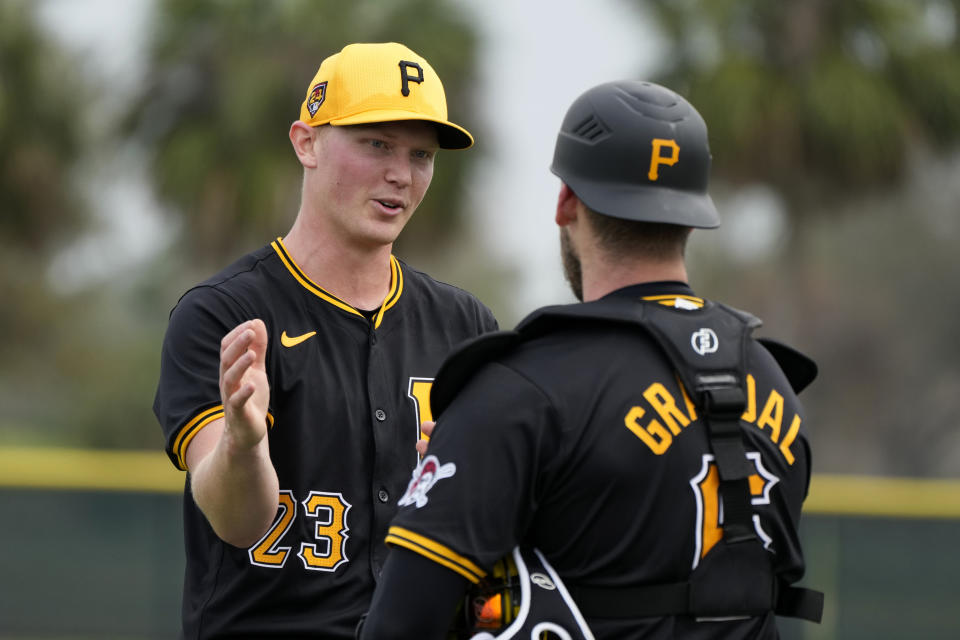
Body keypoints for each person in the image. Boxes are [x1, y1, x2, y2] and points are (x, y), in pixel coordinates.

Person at [358, 80, 823, 639]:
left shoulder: (523, 390)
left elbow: (399, 625)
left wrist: (479, 460)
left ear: (567, 202)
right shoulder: (773, 381)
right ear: (691, 214)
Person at [152, 42, 498, 639]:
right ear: (306, 142)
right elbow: (237, 522)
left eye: (421, 153)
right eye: (376, 144)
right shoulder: (223, 314)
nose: (401, 173)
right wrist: (242, 443)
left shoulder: (466, 326)